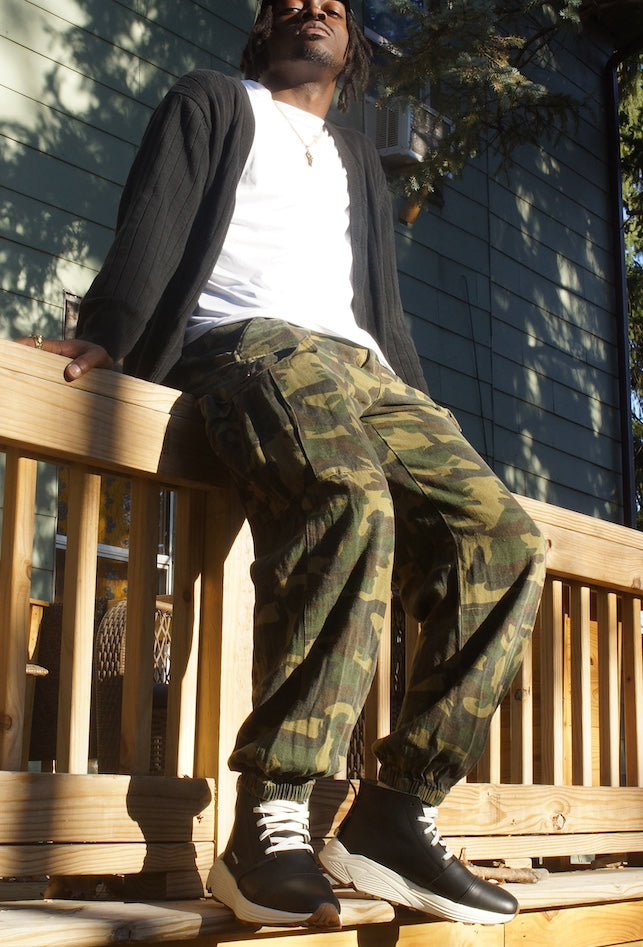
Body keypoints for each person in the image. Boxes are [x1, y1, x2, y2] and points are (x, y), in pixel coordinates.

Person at [20, 0, 546, 931]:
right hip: (247, 341)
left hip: (365, 369)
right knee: (349, 497)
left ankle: (397, 811)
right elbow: (154, 221)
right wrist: (106, 333)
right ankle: (273, 817)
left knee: (503, 537)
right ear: (262, 34)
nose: (314, 9)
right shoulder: (214, 100)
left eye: (335, 5)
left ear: (354, 50)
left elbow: (378, 307)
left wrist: (425, 409)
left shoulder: (354, 160)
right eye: (292, 2)